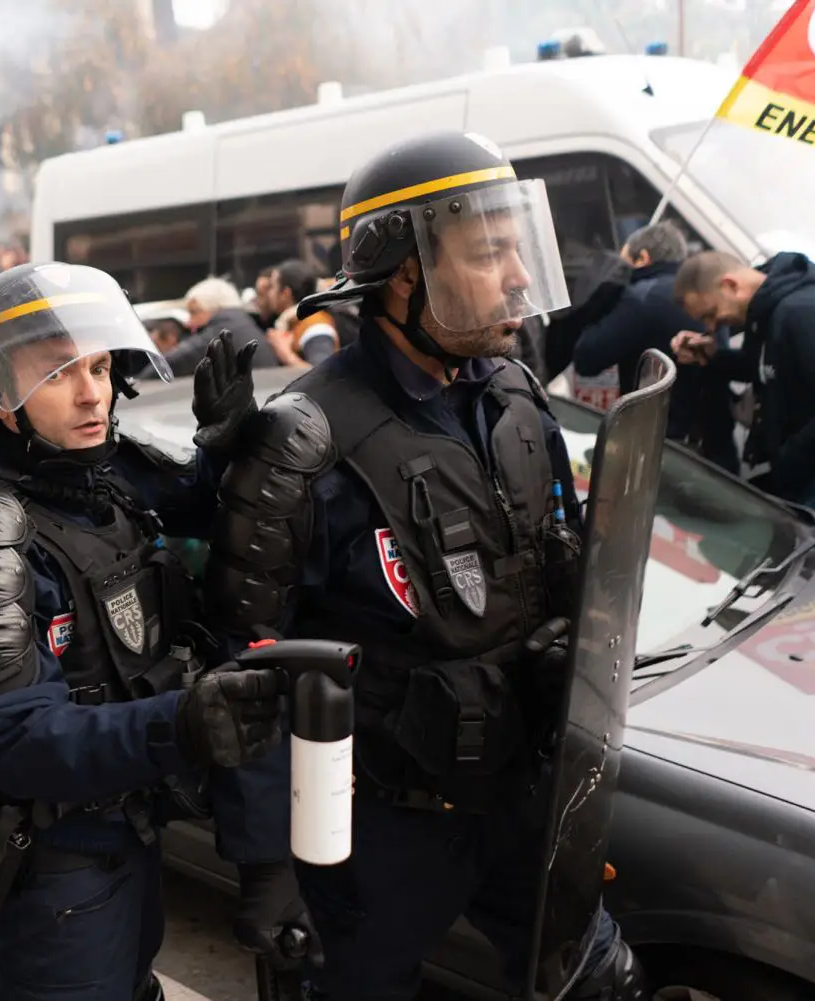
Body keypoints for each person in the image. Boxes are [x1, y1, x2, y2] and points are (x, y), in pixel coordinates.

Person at [203, 131, 648, 1001]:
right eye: (489, 253)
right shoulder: (305, 439)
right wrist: (267, 861)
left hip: (521, 797)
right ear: (405, 273)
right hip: (382, 833)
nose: (518, 275)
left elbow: (557, 555)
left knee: (605, 984)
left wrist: (572, 642)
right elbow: (245, 668)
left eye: (518, 247)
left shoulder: (515, 395)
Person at [0, 262, 305, 1001]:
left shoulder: (101, 471)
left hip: (133, 831)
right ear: (0, 396)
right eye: (57, 372)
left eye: (98, 366)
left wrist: (222, 441)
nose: (92, 393)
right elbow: (14, 739)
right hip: (59, 869)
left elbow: (200, 501)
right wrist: (181, 723)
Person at [673, 250, 815, 519]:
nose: (712, 326)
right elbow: (769, 369)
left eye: (711, 313)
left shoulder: (804, 312)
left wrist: (791, 456)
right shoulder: (767, 313)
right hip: (814, 477)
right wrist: (713, 357)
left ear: (730, 285)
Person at [571, 222, 738, 472]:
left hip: (658, 451)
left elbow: (586, 358)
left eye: (624, 263)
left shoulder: (642, 298)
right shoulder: (707, 293)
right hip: (715, 451)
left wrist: (601, 301)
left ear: (643, 258)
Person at [165, 276, 281, 377]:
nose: (189, 322)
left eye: (194, 312)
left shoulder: (217, 336)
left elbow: (168, 366)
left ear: (214, 308)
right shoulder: (245, 325)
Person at [264, 259, 339, 369]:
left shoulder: (316, 326)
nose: (268, 294)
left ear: (285, 293)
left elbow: (324, 373)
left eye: (272, 287)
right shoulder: (294, 321)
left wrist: (285, 353)